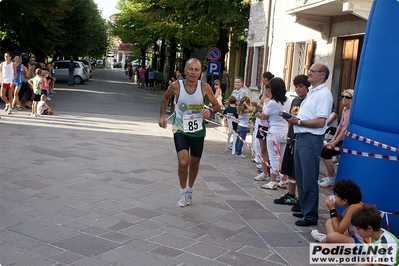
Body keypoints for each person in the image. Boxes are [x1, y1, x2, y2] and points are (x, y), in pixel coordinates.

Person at [158, 58, 220, 207]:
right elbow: (165, 98)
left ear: (200, 72)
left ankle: (190, 189)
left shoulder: (205, 88)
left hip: (198, 130)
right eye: (190, 69)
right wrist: (162, 116)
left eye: (196, 70)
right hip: (180, 128)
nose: (193, 72)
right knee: (183, 161)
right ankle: (182, 190)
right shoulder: (175, 86)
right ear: (185, 71)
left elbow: (217, 105)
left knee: (195, 163)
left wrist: (210, 110)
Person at [285, 62, 333, 226]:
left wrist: (298, 121)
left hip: (311, 138)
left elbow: (320, 122)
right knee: (301, 176)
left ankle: (311, 215)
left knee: (309, 178)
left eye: (313, 71)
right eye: (309, 70)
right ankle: (305, 208)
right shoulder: (312, 92)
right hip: (301, 137)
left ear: (322, 75)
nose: (309, 73)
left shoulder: (323, 94)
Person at [273, 74, 309, 205]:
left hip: (300, 138)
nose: (298, 89)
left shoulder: (308, 101)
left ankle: (301, 198)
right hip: (291, 137)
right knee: (289, 169)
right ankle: (291, 194)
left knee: (298, 170)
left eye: (301, 86)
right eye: (296, 87)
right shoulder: (295, 101)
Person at [258, 78, 291, 189]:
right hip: (285, 131)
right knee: (282, 158)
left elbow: (264, 115)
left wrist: (259, 115)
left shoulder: (272, 103)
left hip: (274, 133)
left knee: (273, 157)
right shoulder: (288, 101)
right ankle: (283, 180)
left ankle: (273, 181)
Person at [319, 89, 354, 188]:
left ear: (352, 99)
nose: (343, 99)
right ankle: (331, 175)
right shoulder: (344, 109)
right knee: (323, 151)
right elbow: (340, 126)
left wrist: (335, 142)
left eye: (347, 97)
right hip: (339, 137)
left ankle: (331, 177)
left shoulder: (351, 112)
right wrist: (333, 140)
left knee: (327, 153)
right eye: (342, 96)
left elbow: (345, 129)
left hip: (345, 139)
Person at [252, 71, 274, 179]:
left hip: (268, 126)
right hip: (263, 124)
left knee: (270, 150)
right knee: (263, 148)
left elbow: (265, 114)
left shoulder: (273, 101)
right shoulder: (266, 100)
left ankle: (273, 173)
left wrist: (257, 106)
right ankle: (265, 171)